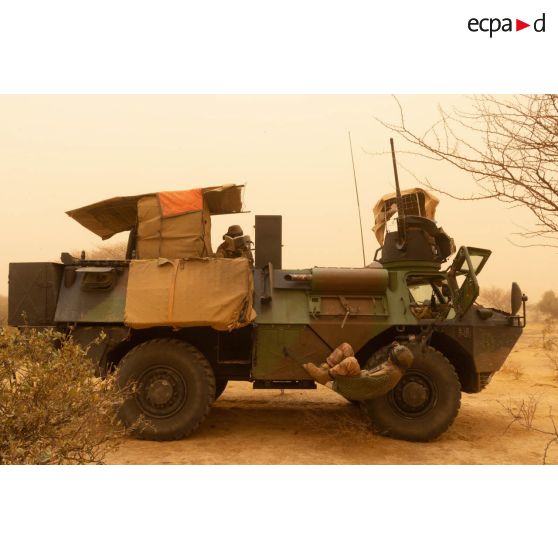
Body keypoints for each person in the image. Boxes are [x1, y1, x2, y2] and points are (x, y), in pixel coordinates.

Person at [303, 341, 414, 401]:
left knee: (351, 361)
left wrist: (344, 378)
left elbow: (367, 382)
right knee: (346, 347)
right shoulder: (395, 368)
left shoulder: (390, 373)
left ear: (395, 360)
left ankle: (325, 376)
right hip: (360, 378)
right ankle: (327, 367)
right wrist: (396, 346)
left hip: (355, 385)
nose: (389, 357)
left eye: (392, 355)